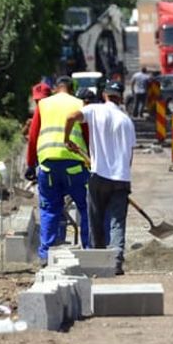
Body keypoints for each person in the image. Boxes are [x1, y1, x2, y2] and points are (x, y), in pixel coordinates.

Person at [63, 80, 136, 275]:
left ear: (105, 94)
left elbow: (70, 116)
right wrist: (123, 176)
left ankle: (97, 261)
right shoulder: (127, 121)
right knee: (117, 222)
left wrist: (66, 139)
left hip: (99, 176)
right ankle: (116, 262)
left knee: (95, 218)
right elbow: (129, 155)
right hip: (121, 178)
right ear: (120, 98)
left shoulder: (94, 110)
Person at [25, 76, 90, 263]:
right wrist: (92, 161)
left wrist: (31, 164)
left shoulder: (43, 105)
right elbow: (87, 136)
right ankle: (88, 248)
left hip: (47, 165)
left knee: (49, 208)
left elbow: (33, 136)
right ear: (73, 88)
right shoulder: (79, 103)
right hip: (75, 166)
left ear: (55, 88)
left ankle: (46, 254)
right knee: (85, 207)